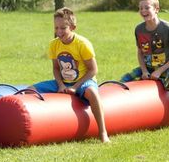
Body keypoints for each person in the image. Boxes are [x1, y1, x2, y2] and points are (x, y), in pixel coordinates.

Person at [29, 7, 110, 143]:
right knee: (30, 90)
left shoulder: (82, 44)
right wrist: (60, 84)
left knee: (93, 93)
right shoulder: (54, 45)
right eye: (56, 28)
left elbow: (93, 70)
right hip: (64, 81)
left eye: (63, 28)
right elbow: (55, 68)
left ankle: (103, 132)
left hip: (83, 81)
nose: (59, 32)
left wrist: (75, 87)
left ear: (73, 27)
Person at [120, 0, 169, 89]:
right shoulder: (139, 29)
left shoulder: (168, 29)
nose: (143, 10)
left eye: (147, 7)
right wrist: (144, 71)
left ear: (156, 9)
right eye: (140, 8)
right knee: (123, 81)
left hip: (165, 68)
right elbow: (140, 52)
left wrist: (159, 71)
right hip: (147, 68)